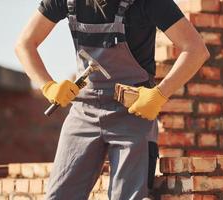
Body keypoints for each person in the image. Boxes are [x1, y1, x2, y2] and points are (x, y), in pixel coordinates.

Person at [15, 0, 210, 199]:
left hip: (133, 112)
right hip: (83, 112)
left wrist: (160, 94)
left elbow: (195, 49)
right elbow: (25, 44)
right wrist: (48, 86)